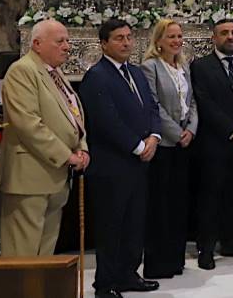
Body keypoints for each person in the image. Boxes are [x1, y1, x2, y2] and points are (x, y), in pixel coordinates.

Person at [79, 19, 160, 298]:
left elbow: (151, 106)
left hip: (139, 162)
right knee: (111, 225)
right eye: (118, 38)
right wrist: (137, 146)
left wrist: (154, 137)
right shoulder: (97, 76)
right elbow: (105, 120)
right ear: (103, 43)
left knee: (134, 222)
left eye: (129, 37)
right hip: (112, 164)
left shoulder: (135, 73)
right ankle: (106, 283)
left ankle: (128, 274)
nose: (126, 43)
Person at [0, 19, 87, 258]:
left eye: (67, 40)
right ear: (37, 44)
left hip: (54, 176)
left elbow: (73, 115)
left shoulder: (54, 73)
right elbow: (28, 123)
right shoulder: (22, 70)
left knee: (45, 251)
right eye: (60, 41)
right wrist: (66, 155)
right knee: (22, 253)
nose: (67, 46)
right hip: (29, 175)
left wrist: (82, 147)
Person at [190, 19, 233, 269]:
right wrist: (231, 130)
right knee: (210, 197)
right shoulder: (201, 66)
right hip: (215, 143)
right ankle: (206, 248)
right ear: (214, 38)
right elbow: (204, 103)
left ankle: (231, 241)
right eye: (224, 33)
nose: (230, 37)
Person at [139, 19, 197, 278]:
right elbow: (153, 105)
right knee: (160, 206)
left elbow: (192, 101)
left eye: (179, 36)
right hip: (163, 144)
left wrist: (191, 130)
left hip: (183, 145)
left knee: (178, 204)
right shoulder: (150, 67)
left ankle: (176, 259)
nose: (176, 41)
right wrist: (175, 133)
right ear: (159, 41)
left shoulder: (183, 66)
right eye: (170, 36)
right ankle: (158, 263)